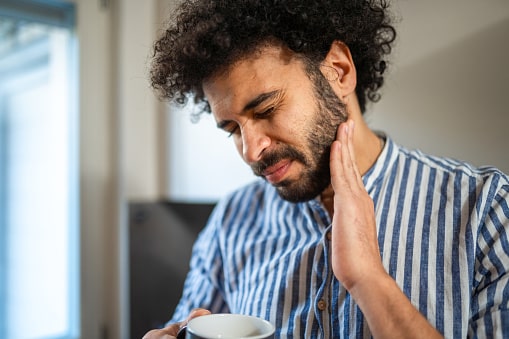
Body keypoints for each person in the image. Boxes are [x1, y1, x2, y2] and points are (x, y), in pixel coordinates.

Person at [143, 0, 509, 338]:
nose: (252, 151)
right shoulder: (231, 223)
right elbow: (192, 326)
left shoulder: (485, 211)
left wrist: (367, 278)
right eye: (233, 130)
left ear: (339, 70)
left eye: (267, 110)